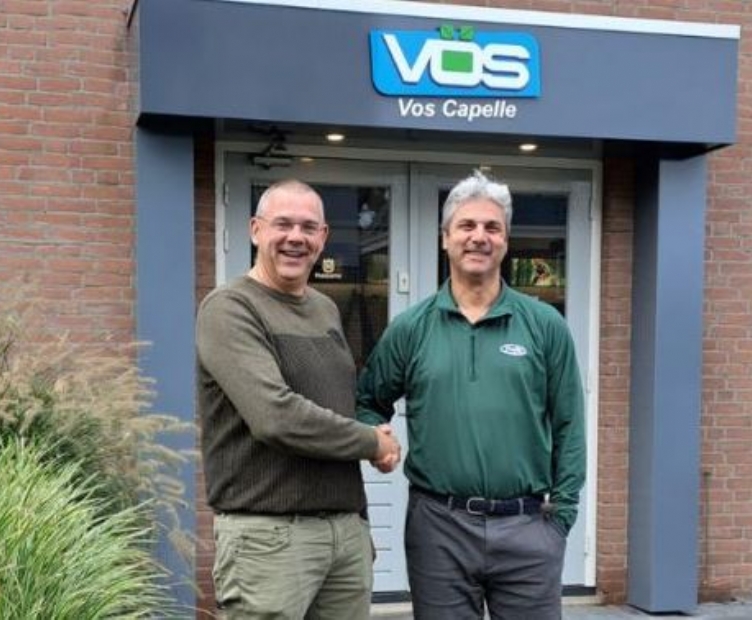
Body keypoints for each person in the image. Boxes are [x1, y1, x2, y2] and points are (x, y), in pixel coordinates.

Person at [356, 170, 586, 620]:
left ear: (505, 241)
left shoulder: (544, 326)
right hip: (438, 528)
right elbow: (368, 400)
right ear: (445, 238)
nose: (479, 236)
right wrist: (375, 439)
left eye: (492, 227)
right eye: (466, 225)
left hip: (528, 527)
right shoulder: (411, 328)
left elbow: (569, 425)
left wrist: (561, 518)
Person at [196, 179, 401, 619]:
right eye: (283, 224)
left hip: (343, 533)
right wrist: (371, 442)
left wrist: (358, 521)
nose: (296, 237)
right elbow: (276, 416)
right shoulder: (230, 308)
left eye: (308, 227)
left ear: (323, 237)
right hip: (269, 539)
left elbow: (336, 406)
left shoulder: (325, 309)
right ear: (256, 230)